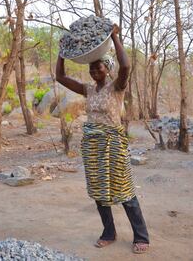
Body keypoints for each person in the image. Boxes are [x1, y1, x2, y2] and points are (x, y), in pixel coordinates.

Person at [55, 23, 149, 254]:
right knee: (99, 191)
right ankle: (109, 232)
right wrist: (62, 50)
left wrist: (115, 37)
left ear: (107, 68)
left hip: (114, 144)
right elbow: (60, 76)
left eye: (98, 68)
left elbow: (126, 65)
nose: (94, 72)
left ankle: (141, 236)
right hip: (94, 146)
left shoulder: (116, 87)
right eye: (91, 69)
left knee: (124, 190)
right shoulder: (88, 90)